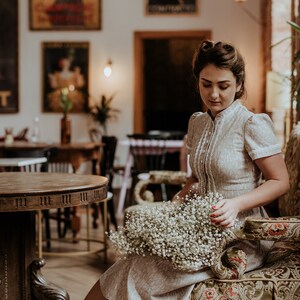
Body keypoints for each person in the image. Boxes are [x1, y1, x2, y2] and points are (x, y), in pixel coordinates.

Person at [85, 40, 289, 300]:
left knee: (139, 271)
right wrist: (174, 206)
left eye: (223, 86)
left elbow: (280, 181)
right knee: (130, 261)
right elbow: (195, 180)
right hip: (199, 225)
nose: (214, 94)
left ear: (238, 84)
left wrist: (235, 204)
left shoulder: (251, 124)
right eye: (206, 84)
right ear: (198, 82)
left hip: (240, 234)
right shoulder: (198, 123)